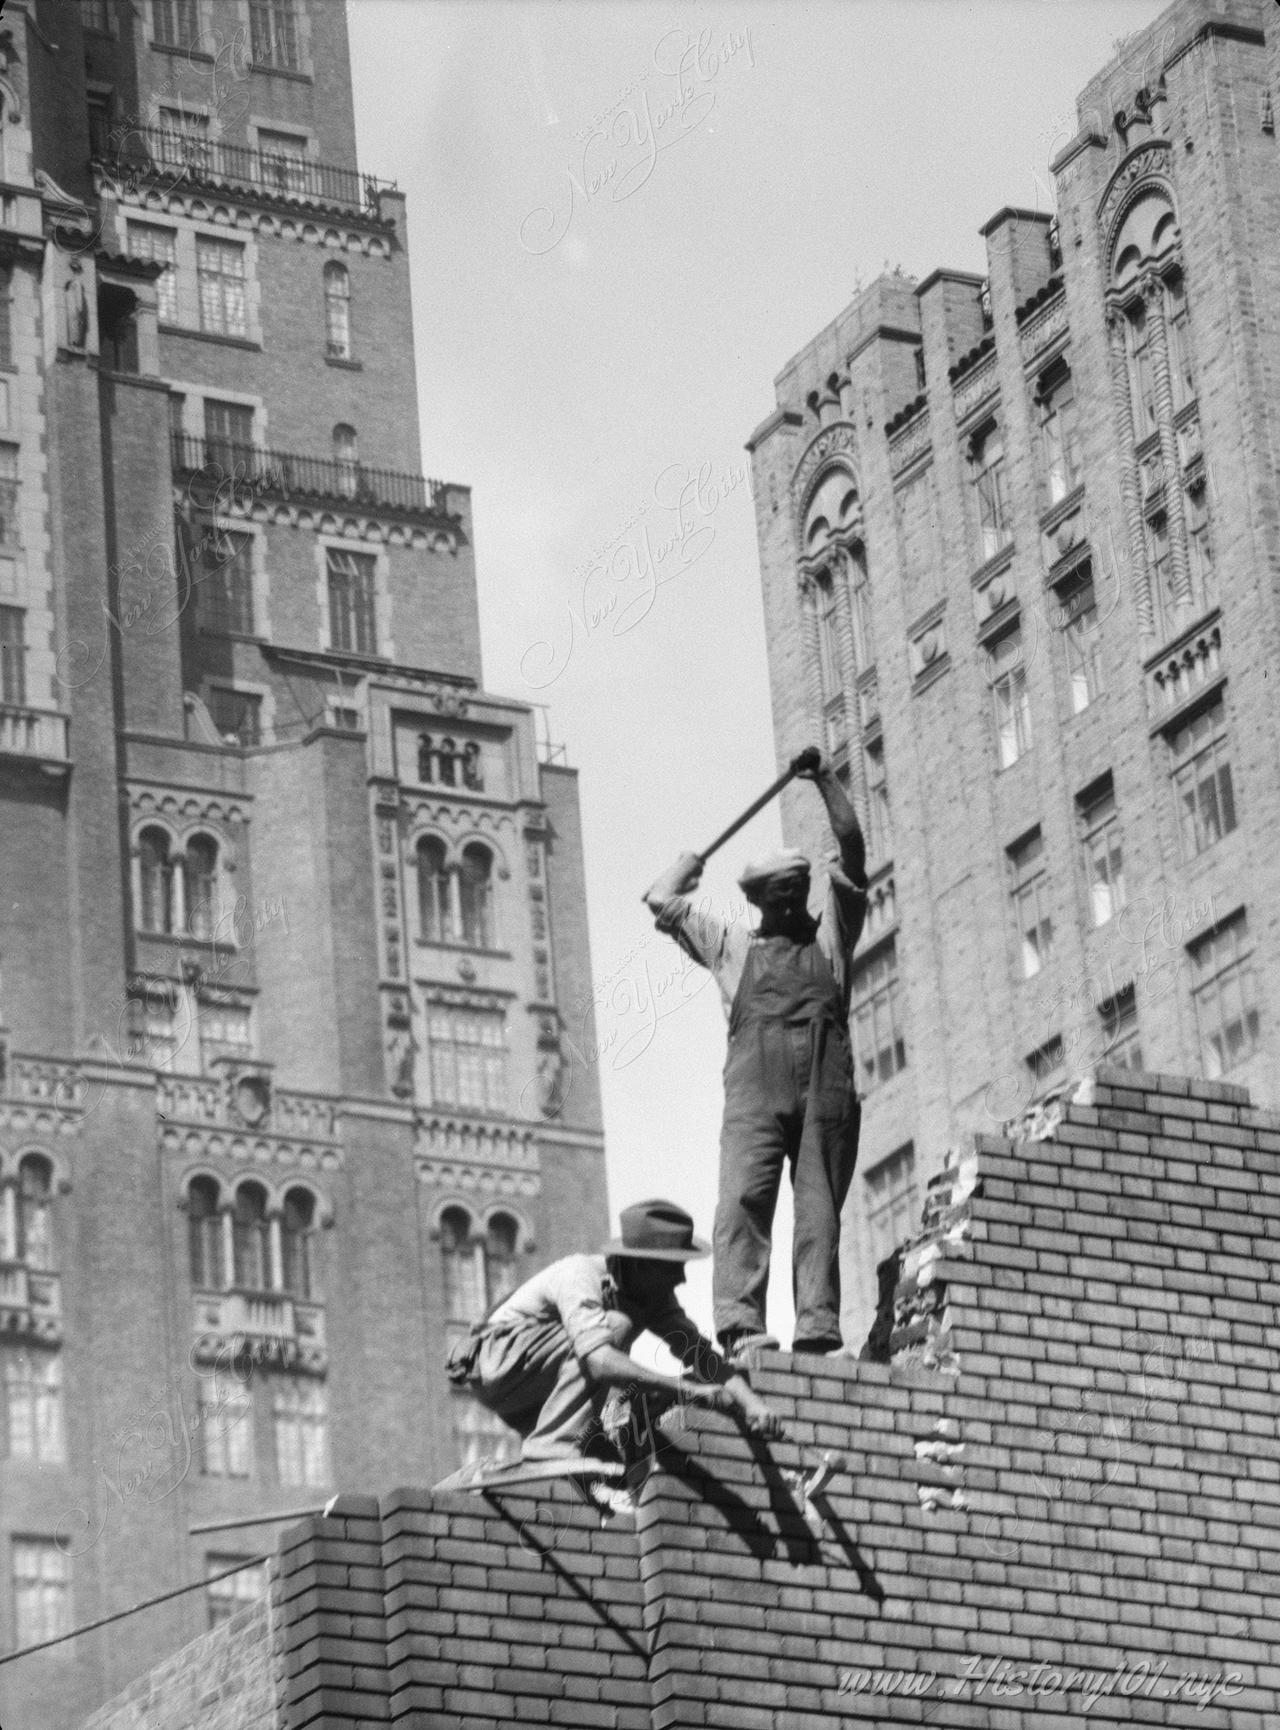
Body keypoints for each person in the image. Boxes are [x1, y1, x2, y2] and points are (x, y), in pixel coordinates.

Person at [643, 751, 867, 1359]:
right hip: (755, 1099)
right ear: (761, 903)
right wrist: (692, 865)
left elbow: (852, 849)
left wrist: (824, 780)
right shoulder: (732, 948)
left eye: (796, 894)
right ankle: (742, 1325)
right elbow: (661, 897)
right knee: (742, 1202)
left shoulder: (832, 937)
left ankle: (818, 1329)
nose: (791, 906)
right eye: (780, 899)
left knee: (819, 1213)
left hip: (825, 1091)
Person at [446, 1198, 785, 1483]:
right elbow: (598, 1361)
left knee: (612, 1453)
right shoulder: (580, 1275)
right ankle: (551, 1449)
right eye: (671, 1268)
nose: (680, 1279)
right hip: (495, 1363)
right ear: (638, 1264)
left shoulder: (651, 1296)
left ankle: (516, 1465)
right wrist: (689, 1391)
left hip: (533, 1384)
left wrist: (752, 1403)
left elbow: (702, 1357)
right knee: (616, 1329)